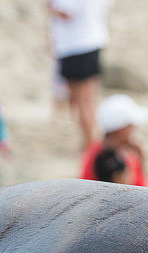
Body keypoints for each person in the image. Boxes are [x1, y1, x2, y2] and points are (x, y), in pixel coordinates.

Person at [47, 0, 113, 148]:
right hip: (95, 39)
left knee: (81, 101)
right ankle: (91, 141)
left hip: (75, 45)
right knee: (89, 99)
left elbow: (66, 12)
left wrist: (49, 6)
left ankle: (90, 144)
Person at [80, 94, 148, 186]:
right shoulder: (117, 157)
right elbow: (141, 190)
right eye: (131, 125)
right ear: (120, 128)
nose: (134, 128)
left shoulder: (94, 150)